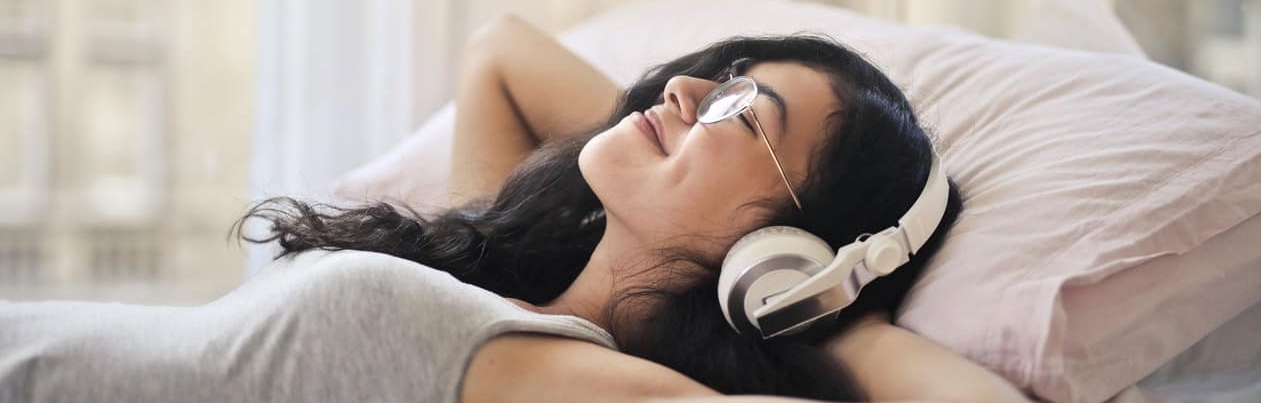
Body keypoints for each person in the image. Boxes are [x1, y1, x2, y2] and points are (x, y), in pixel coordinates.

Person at [0, 15, 1029, 403]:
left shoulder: (588, 382)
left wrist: (818, 304)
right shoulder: (499, 284)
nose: (680, 92)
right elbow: (500, 52)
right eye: (711, 75)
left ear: (793, 246)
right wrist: (682, 145)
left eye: (739, 111)